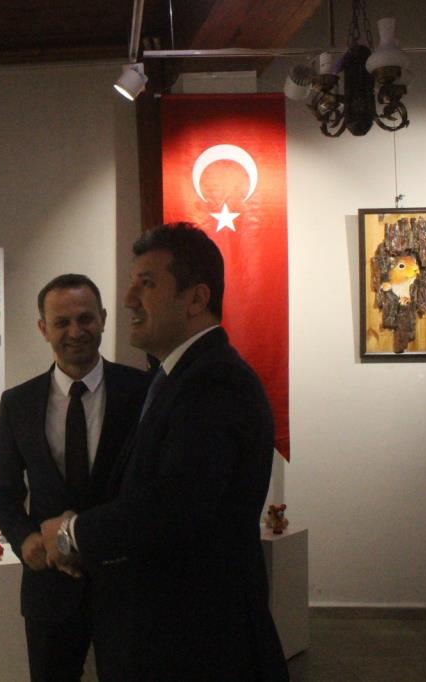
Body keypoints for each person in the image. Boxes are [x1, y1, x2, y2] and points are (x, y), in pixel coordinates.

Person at [40, 224, 289, 681]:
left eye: (147, 284)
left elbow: (173, 504)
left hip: (196, 646)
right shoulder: (175, 377)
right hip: (169, 637)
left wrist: (71, 534)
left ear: (195, 299)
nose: (129, 299)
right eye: (132, 283)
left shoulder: (214, 382)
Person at [0, 274, 149, 682]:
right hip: (49, 584)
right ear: (43, 328)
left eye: (86, 318)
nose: (76, 331)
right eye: (62, 322)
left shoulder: (142, 392)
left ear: (104, 319)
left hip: (126, 584)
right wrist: (25, 540)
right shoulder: (17, 403)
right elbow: (4, 491)